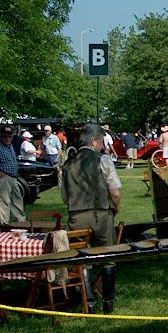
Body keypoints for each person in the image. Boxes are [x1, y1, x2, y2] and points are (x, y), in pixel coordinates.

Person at [59, 124, 122, 314]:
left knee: (82, 260)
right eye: (102, 141)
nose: (103, 145)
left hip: (77, 216)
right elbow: (115, 192)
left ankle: (90, 304)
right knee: (108, 258)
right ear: (94, 141)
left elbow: (64, 196)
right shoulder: (103, 159)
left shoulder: (68, 164)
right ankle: (108, 303)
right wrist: (114, 208)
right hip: (101, 214)